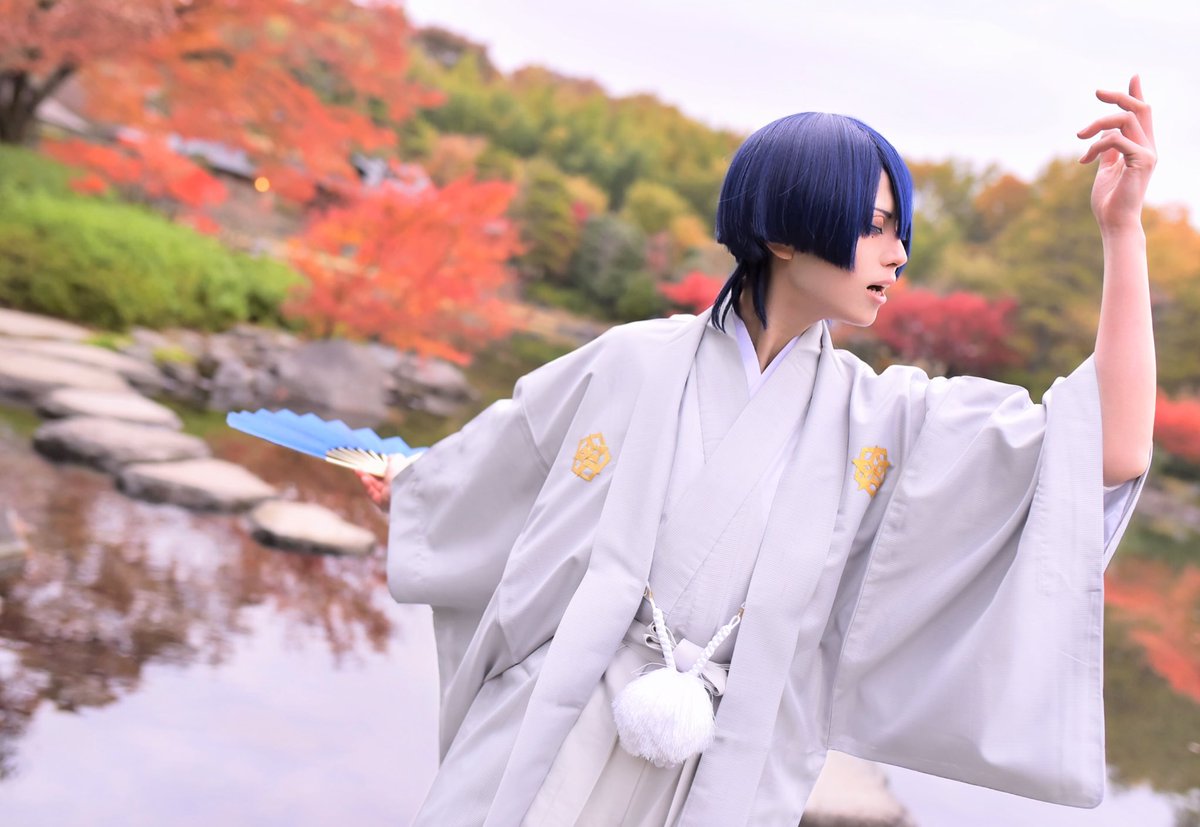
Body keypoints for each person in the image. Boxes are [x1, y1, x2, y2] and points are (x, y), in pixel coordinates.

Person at [359, 76, 1156, 826]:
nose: (898, 254)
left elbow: (1107, 450)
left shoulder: (885, 421)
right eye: (875, 226)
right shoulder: (631, 361)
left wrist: (1123, 231)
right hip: (553, 728)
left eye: (900, 231)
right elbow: (507, 464)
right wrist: (414, 482)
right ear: (782, 233)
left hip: (719, 765)